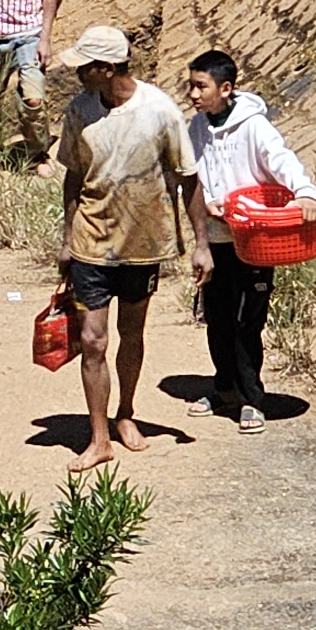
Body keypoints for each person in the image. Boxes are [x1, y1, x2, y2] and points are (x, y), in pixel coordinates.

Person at [55, 25, 195, 467]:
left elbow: (187, 177)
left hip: (142, 241)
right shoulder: (79, 111)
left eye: (83, 67)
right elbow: (74, 176)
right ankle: (99, 438)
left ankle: (126, 414)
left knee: (131, 333)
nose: (76, 74)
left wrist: (200, 244)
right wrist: (66, 238)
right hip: (90, 242)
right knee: (93, 341)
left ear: (107, 68)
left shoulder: (159, 111)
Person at [181, 49, 314, 431]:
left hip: (255, 241)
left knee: (247, 321)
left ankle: (252, 399)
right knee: (217, 317)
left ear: (225, 88)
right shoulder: (197, 128)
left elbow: (280, 159)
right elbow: (191, 179)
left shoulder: (254, 127)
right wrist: (206, 211)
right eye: (191, 85)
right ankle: (224, 389)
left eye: (200, 86)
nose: (193, 94)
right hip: (218, 239)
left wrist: (302, 191)